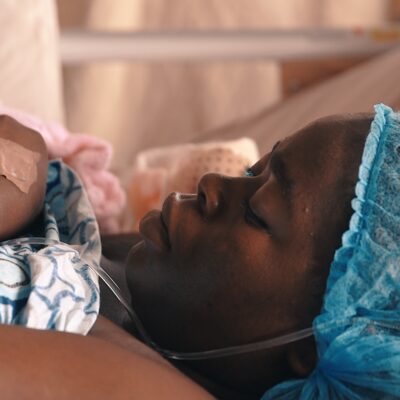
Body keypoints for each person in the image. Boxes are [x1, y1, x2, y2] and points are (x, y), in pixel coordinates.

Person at [0, 105, 398, 399]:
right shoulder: (148, 289)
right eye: (252, 172)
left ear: (314, 347)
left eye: (258, 213)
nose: (211, 183)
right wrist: (26, 164)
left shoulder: (155, 390)